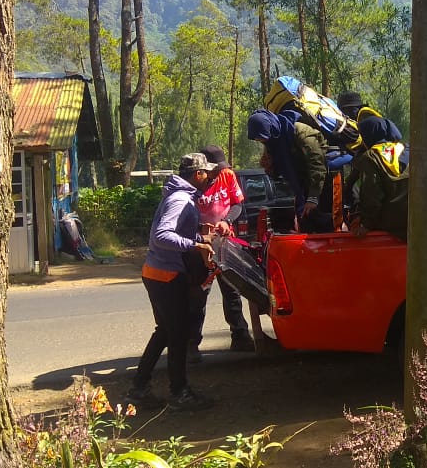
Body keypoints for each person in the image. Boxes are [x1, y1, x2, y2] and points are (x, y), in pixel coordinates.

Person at [125, 153, 217, 412]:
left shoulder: (179, 196)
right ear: (197, 174)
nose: (209, 177)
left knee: (165, 332)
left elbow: (172, 231)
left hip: (156, 273)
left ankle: (138, 388)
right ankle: (179, 393)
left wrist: (199, 231)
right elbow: (162, 236)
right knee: (177, 335)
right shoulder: (180, 199)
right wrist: (195, 244)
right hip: (166, 276)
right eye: (206, 173)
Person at [186, 144, 253, 363]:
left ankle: (240, 336)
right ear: (203, 169)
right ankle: (191, 345)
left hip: (225, 241)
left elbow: (236, 204)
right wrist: (200, 230)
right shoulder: (193, 184)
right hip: (201, 245)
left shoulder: (227, 175)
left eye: (220, 168)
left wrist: (226, 221)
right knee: (198, 294)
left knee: (232, 290)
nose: (217, 172)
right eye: (213, 169)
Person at [247, 109, 334, 233]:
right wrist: (271, 167)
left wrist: (313, 198)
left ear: (270, 127)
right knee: (306, 223)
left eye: (262, 138)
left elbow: (317, 164)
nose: (262, 141)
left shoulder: (300, 132)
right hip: (302, 188)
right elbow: (286, 171)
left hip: (324, 183)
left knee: (325, 226)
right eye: (259, 139)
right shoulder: (273, 141)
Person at [349, 116, 409, 240]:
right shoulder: (406, 149)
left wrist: (366, 225)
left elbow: (372, 195)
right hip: (416, 219)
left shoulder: (370, 157)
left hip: (392, 224)